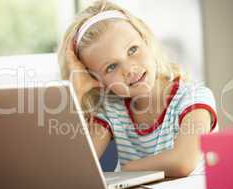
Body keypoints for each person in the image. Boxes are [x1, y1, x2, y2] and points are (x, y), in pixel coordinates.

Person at [58, 0, 218, 178]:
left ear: (146, 39)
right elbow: (76, 166)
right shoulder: (112, 109)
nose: (129, 70)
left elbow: (183, 162)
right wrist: (76, 90)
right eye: (111, 67)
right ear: (97, 80)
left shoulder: (194, 97)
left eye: (132, 50)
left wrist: (123, 170)